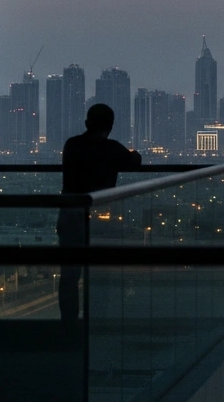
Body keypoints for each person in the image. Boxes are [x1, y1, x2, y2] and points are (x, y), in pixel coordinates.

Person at [57, 103, 141, 321]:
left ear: (87, 123)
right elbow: (135, 161)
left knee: (69, 274)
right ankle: (97, 324)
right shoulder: (112, 149)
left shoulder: (72, 145)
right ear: (111, 127)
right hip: (101, 217)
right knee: (99, 275)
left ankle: (69, 325)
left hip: (71, 212)